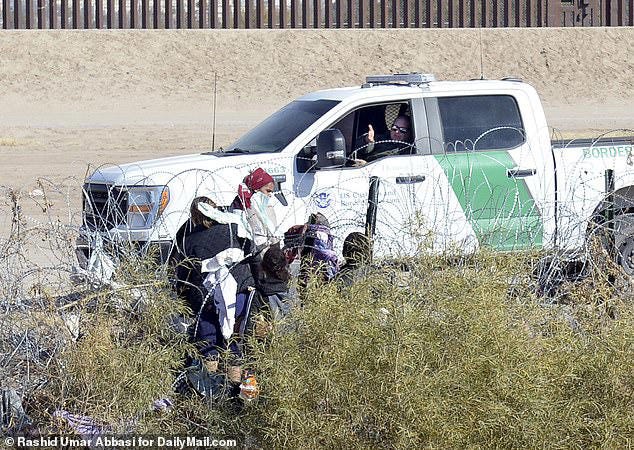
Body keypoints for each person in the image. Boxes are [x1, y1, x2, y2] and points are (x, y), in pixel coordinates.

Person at [177, 196, 255, 383]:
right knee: (233, 340)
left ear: (194, 216)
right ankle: (235, 392)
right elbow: (251, 251)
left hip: (207, 297)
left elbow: (184, 271)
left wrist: (181, 294)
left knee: (208, 343)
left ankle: (211, 390)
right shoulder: (233, 226)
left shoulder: (188, 237)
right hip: (238, 292)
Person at [231, 167, 279, 250]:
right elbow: (258, 234)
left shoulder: (263, 204)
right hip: (253, 249)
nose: (270, 195)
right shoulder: (245, 205)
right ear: (257, 189)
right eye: (268, 191)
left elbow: (273, 229)